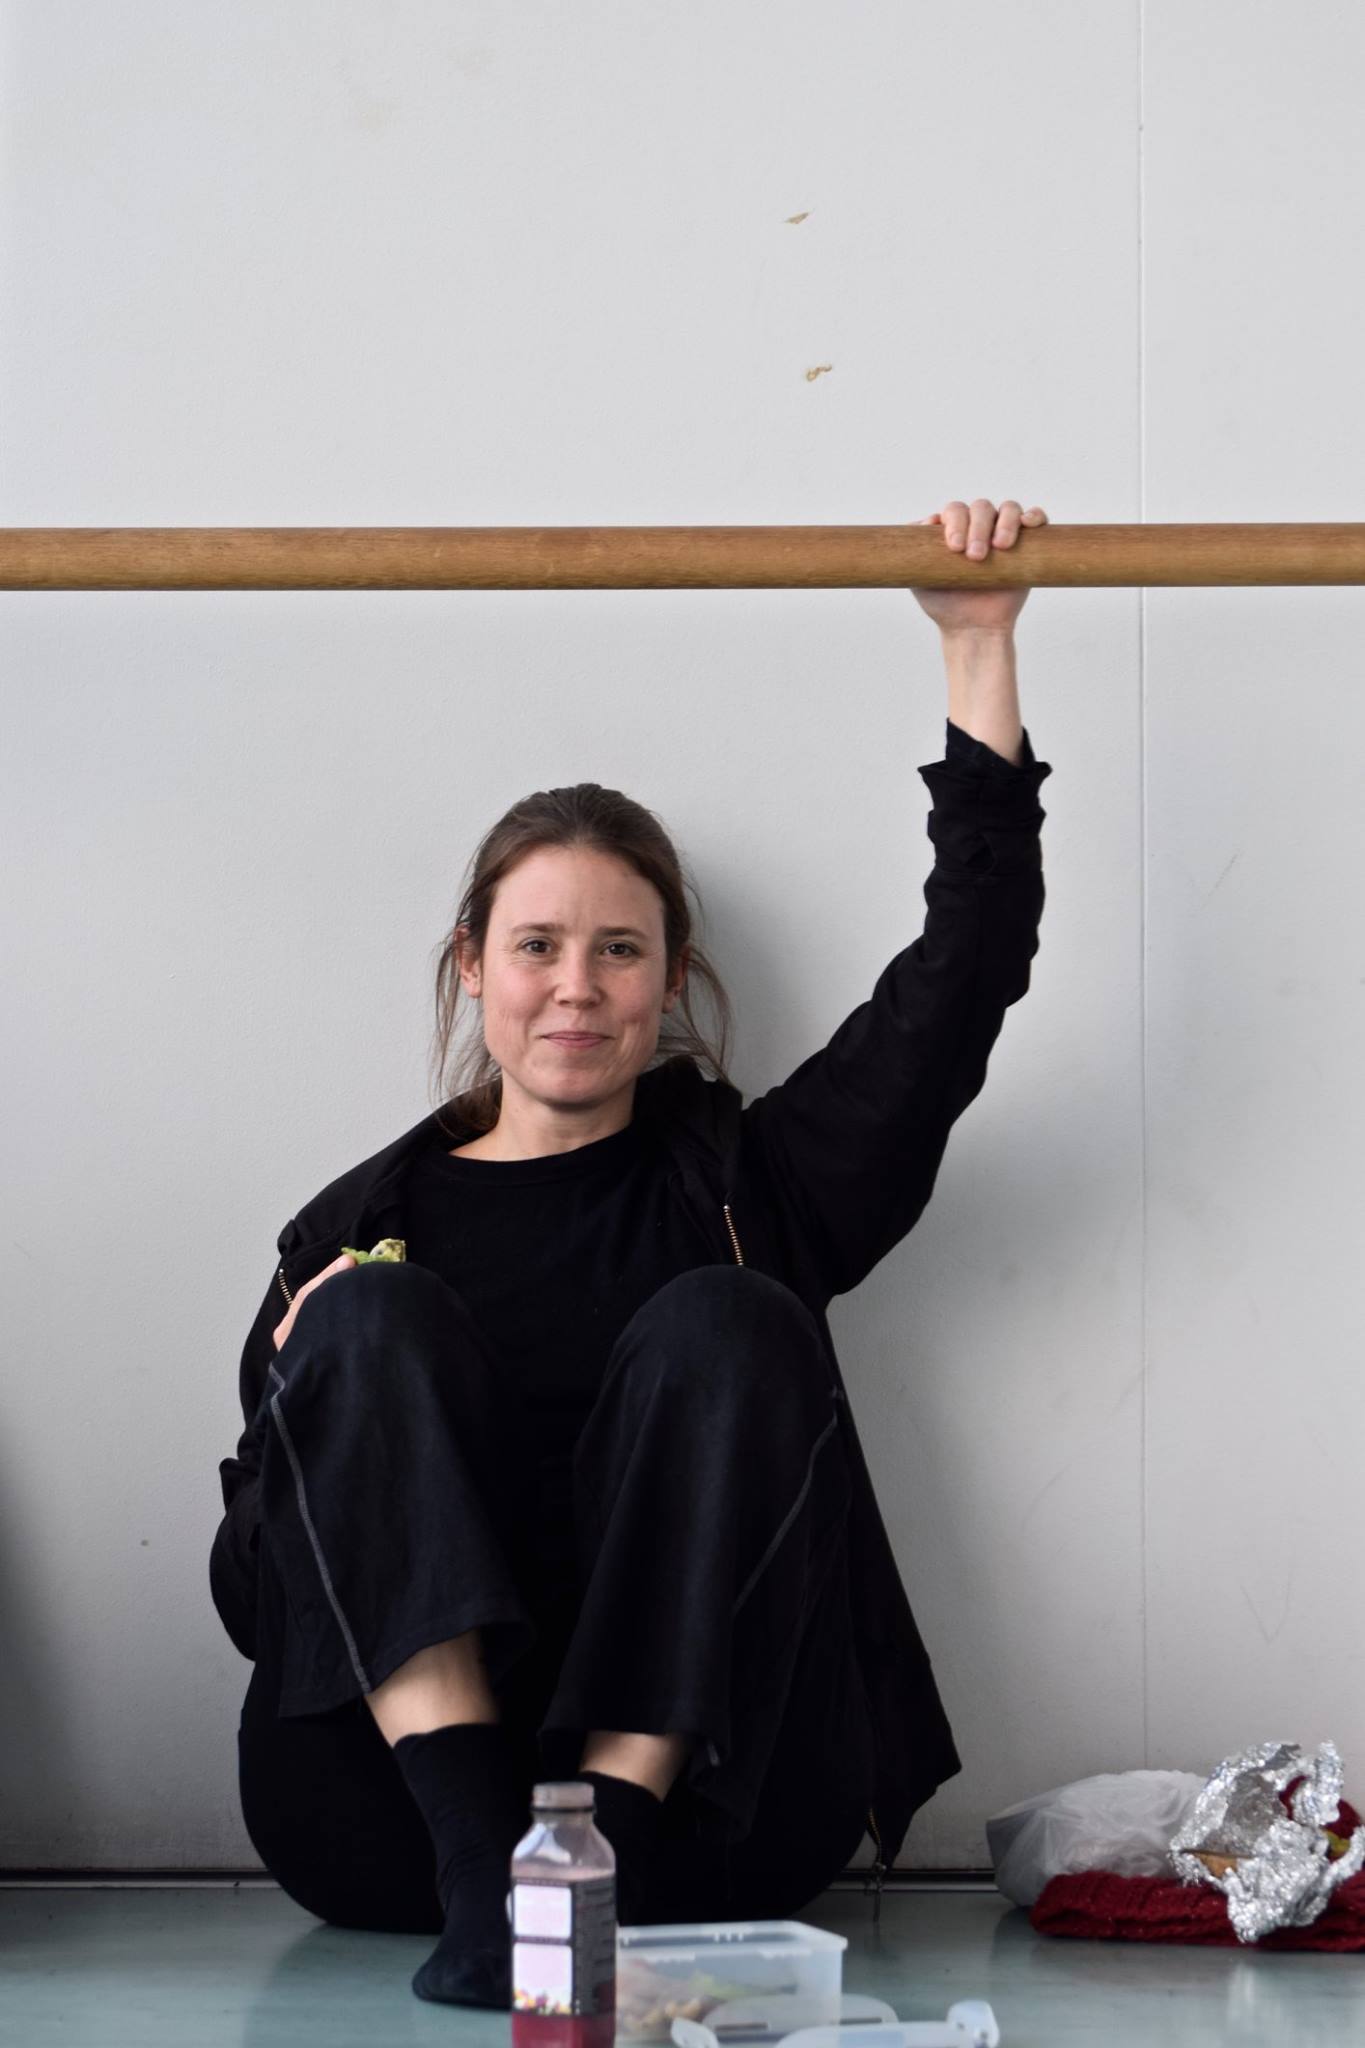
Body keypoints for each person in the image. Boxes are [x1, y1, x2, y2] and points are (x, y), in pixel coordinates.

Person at [208, 496, 1054, 2009]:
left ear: (671, 983)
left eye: (619, 949)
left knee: (731, 1319)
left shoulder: (758, 1184)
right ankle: (494, 1880)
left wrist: (976, 644)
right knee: (371, 1320)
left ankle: (587, 1853)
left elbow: (966, 972)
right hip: (394, 1834)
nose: (576, 988)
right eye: (536, 946)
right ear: (473, 968)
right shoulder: (343, 1234)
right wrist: (301, 1412)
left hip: (698, 1830)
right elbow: (249, 1602)